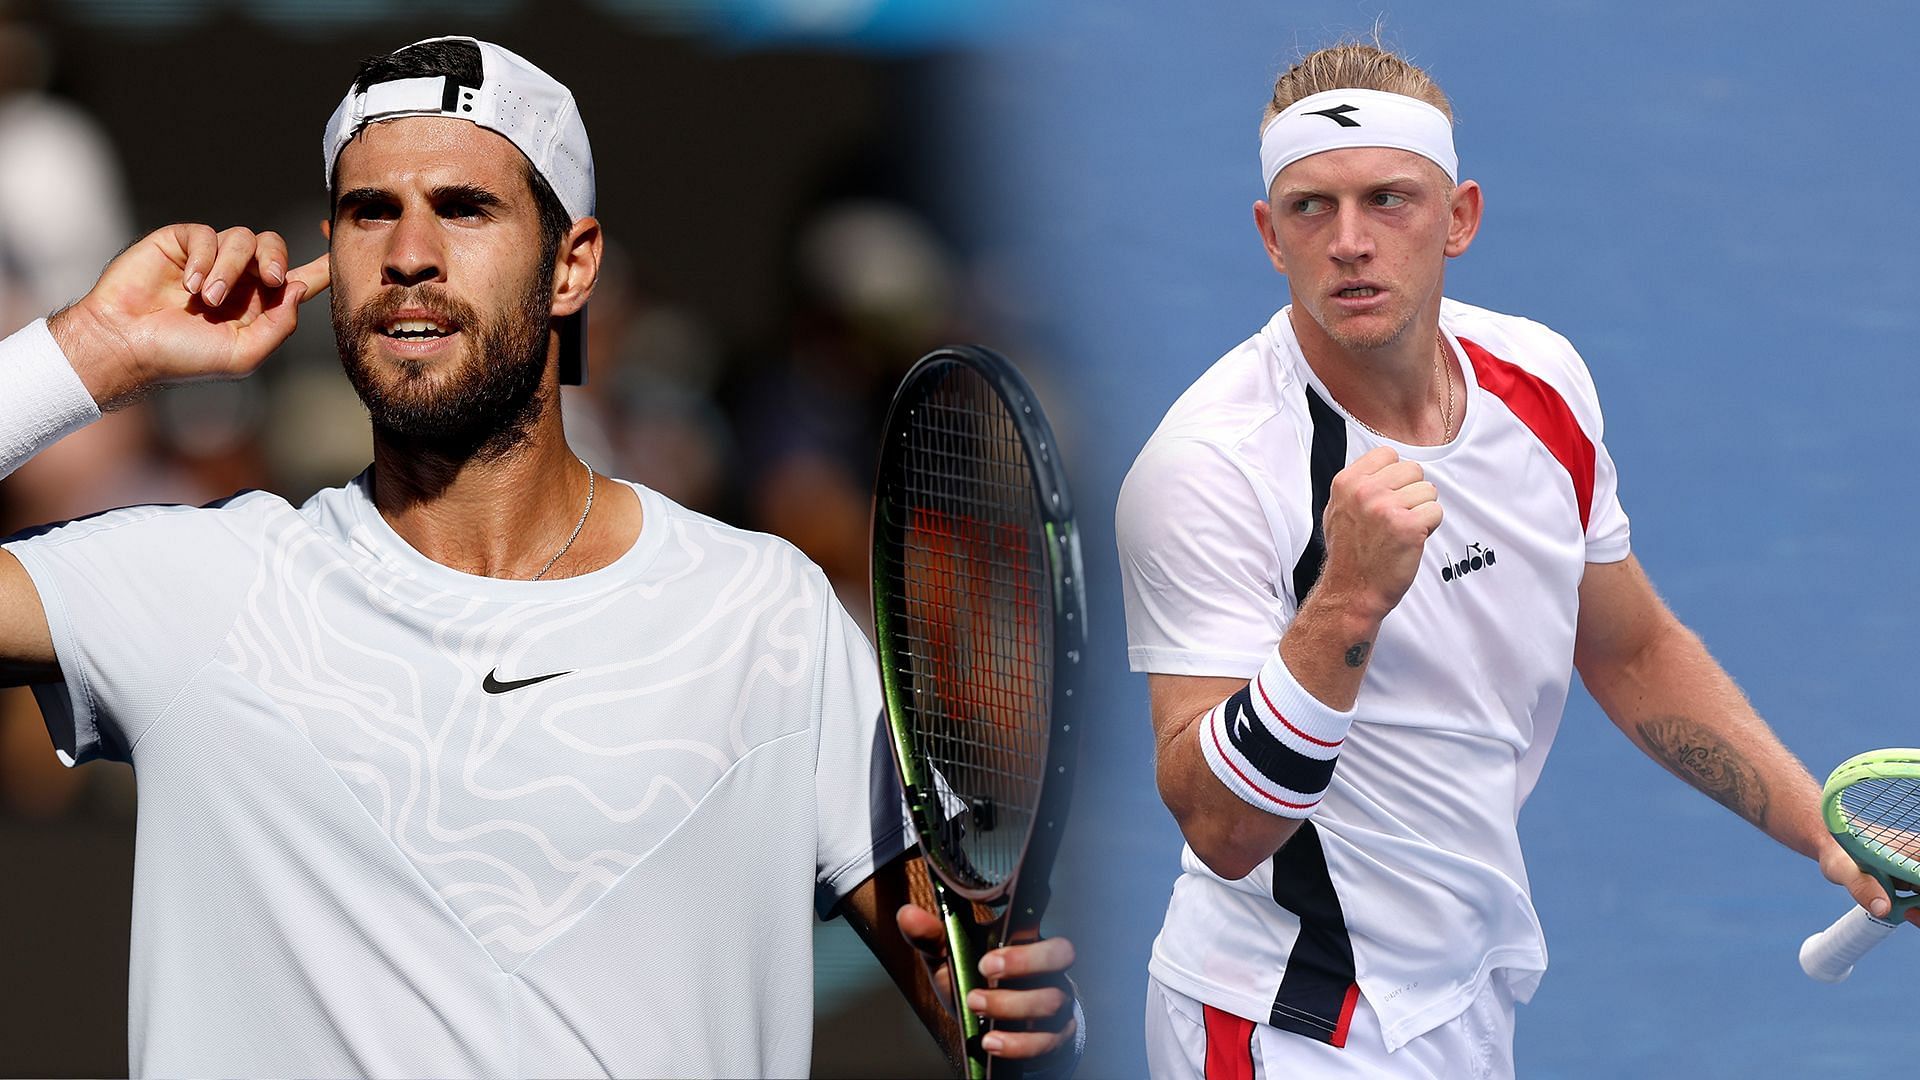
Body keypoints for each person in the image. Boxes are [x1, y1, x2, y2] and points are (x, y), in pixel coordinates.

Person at [0, 36, 1078, 1078]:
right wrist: (90, 351)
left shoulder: (766, 616)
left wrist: (1030, 1023)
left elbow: (972, 1006)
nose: (409, 253)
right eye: (370, 210)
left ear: (572, 267)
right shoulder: (200, 585)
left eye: (463, 208)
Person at [1115, 40, 1905, 1078]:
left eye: (1389, 200)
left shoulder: (1542, 383)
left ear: (1460, 218)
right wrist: (1347, 600)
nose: (1350, 242)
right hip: (1288, 1018)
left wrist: (1826, 833)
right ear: (1271, 236)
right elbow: (1220, 829)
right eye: (1312, 208)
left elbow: (1628, 650)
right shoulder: (1207, 468)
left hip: (1471, 992)